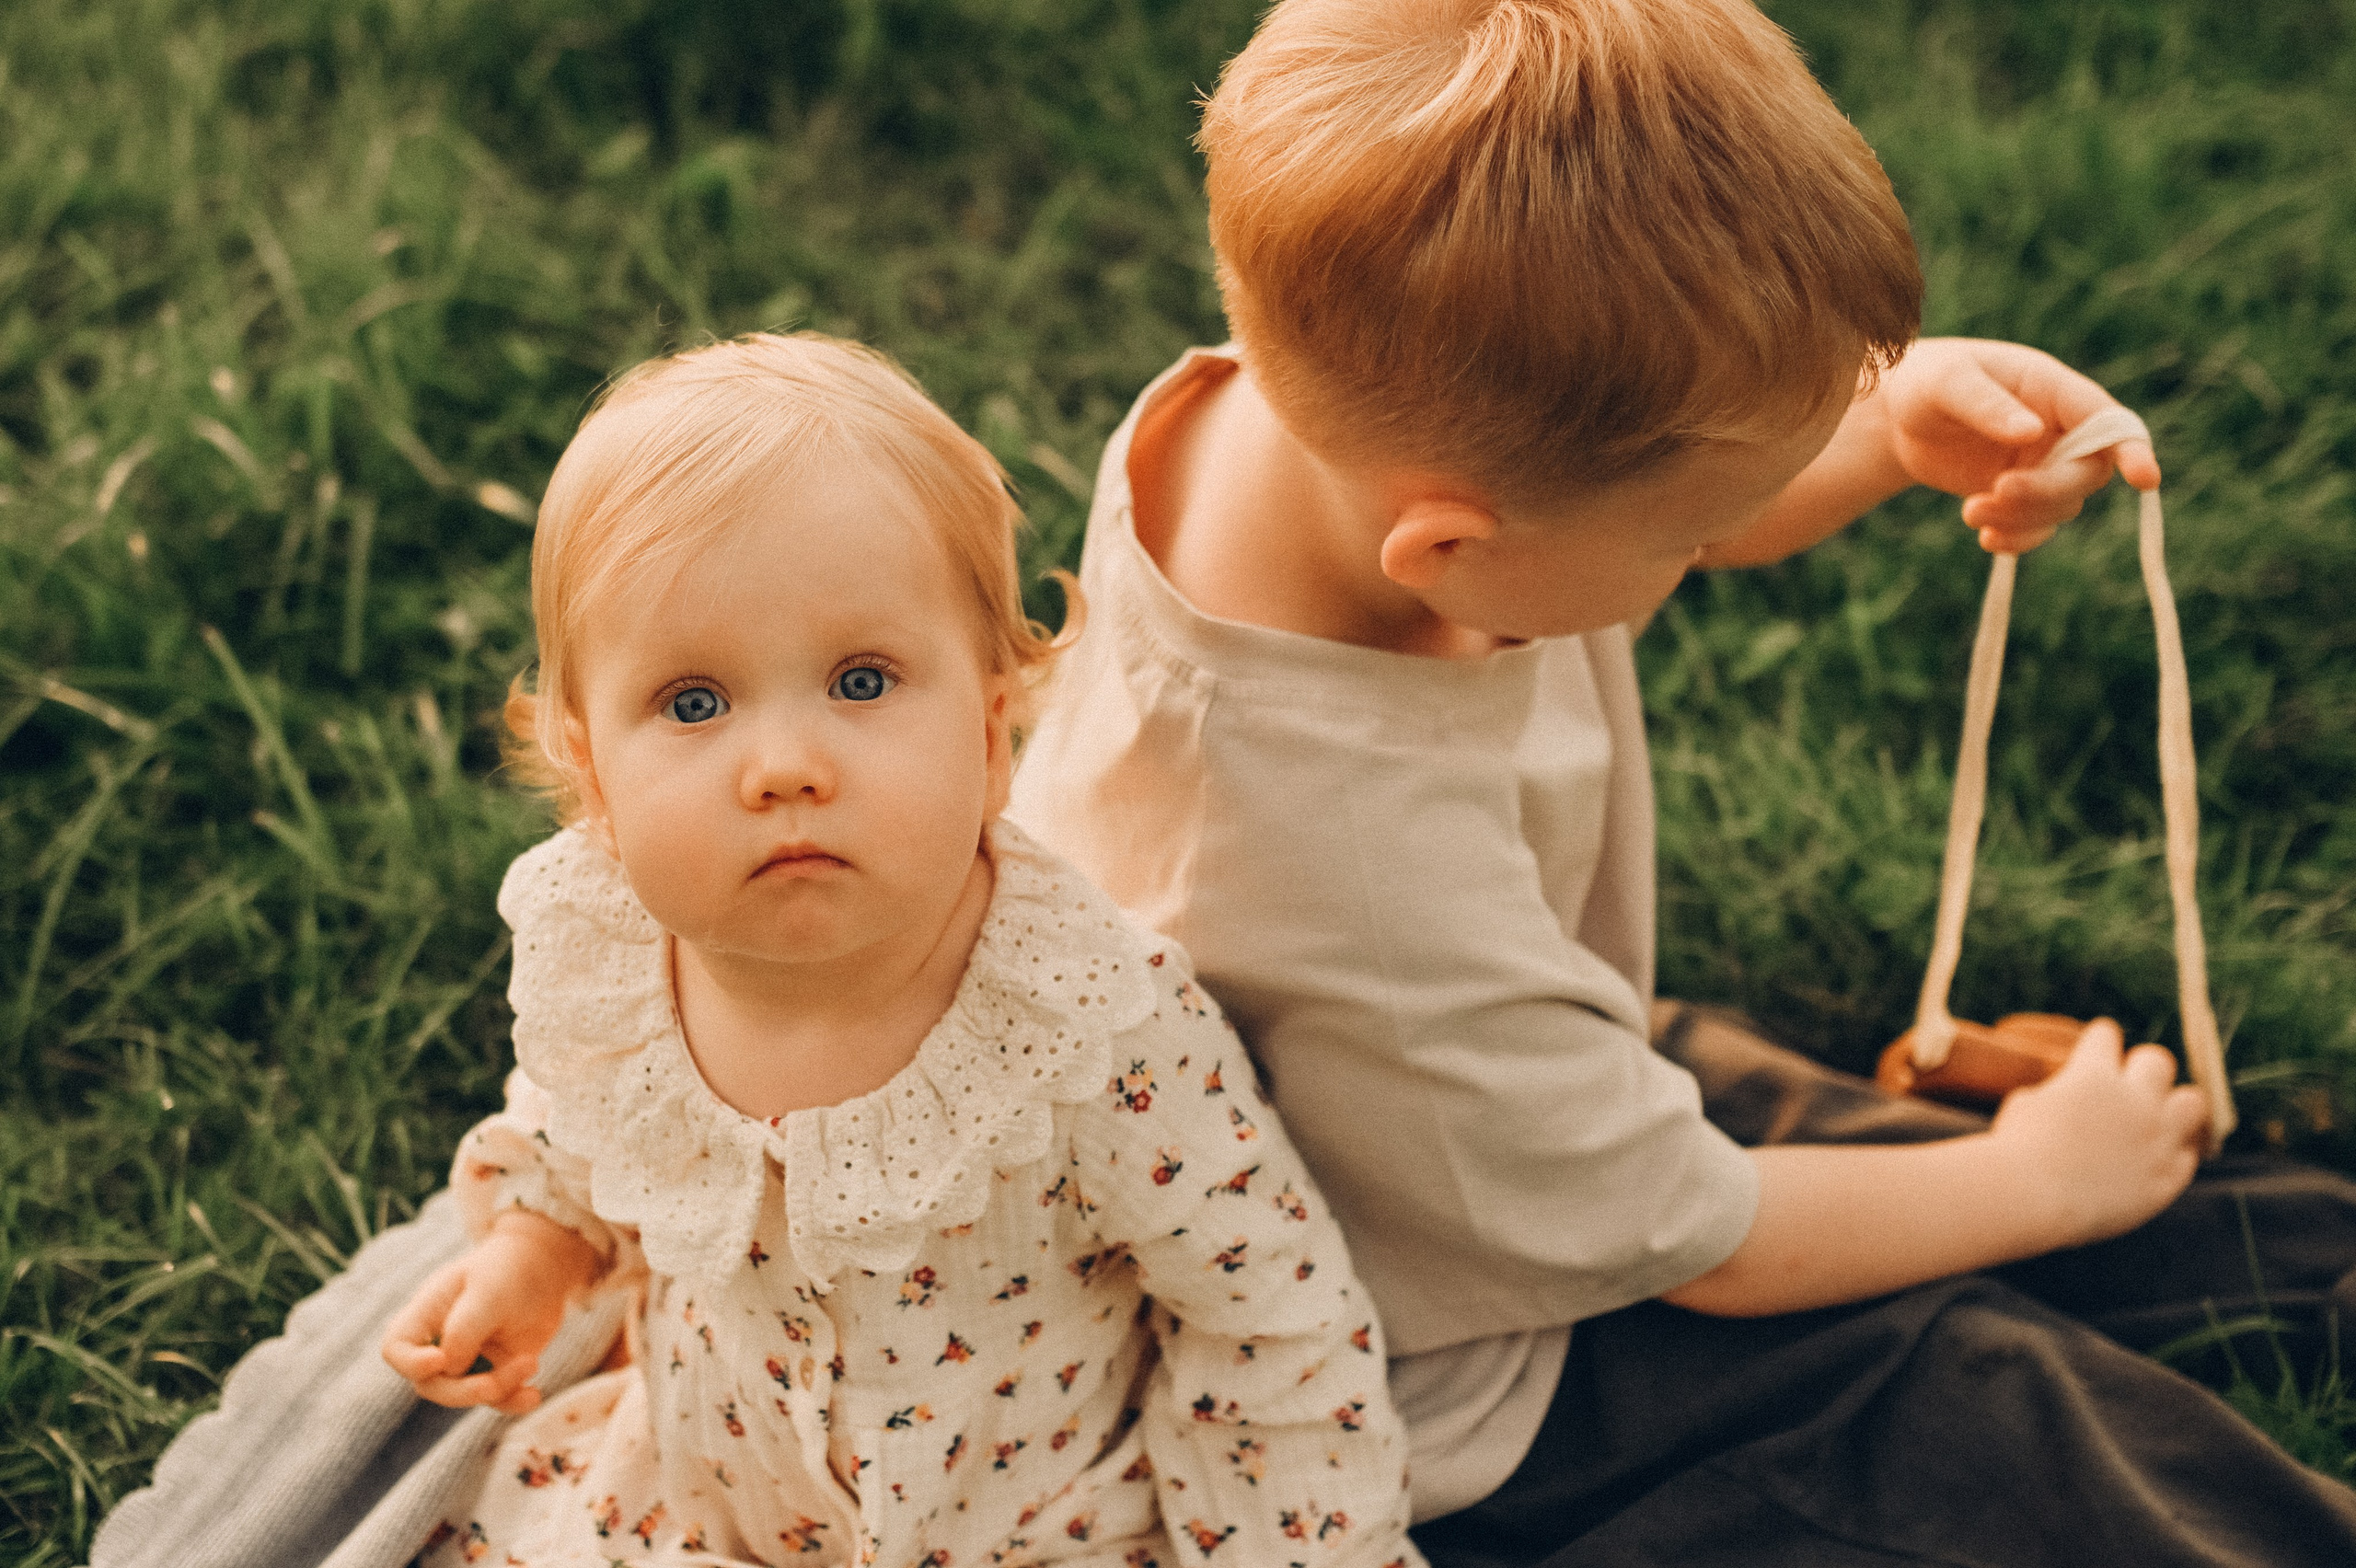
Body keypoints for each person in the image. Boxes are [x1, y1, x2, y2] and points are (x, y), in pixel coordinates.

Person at [1003, 1, 2356, 1562]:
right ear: (1451, 547)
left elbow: (1634, 487)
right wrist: (2037, 1185)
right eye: (1694, 532)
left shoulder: (1306, 412)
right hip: (1460, 1365)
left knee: (2101, 1202)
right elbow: (1710, 1246)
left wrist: (1883, 426)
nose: (1716, 542)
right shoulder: (1342, 876)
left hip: (1481, 1094)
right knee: (1990, 1406)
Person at [371, 332, 1423, 1568]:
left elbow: (1265, 1308)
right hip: (711, 1512)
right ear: (592, 773)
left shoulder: (1091, 1028)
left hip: (1035, 1537)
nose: (785, 768)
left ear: (989, 734)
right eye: (695, 703)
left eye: (862, 682)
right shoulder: (616, 965)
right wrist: (533, 1252)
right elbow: (578, 1124)